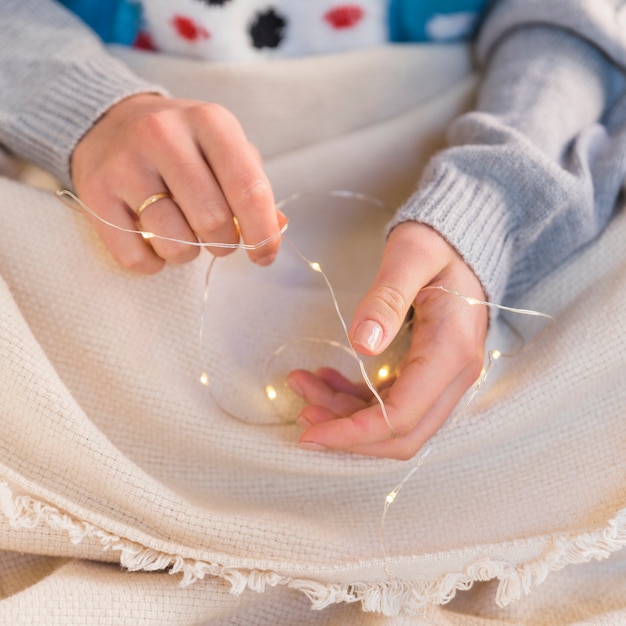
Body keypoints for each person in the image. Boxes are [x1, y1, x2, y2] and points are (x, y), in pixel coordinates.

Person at [1, 0, 625, 463]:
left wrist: (490, 204)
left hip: (493, 137)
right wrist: (88, 111)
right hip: (97, 180)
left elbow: (578, 19)